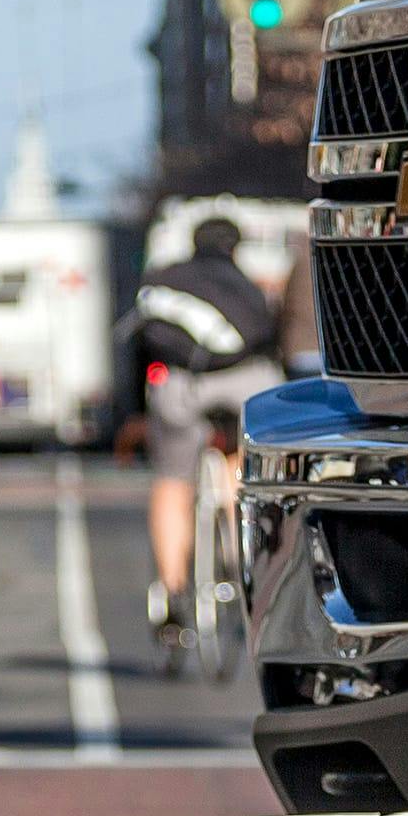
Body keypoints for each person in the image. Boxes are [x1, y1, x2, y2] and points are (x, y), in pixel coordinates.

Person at [135, 216, 284, 639]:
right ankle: (242, 556)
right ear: (234, 247)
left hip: (179, 384)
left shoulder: (164, 280)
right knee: (241, 461)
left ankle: (172, 594)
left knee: (172, 481)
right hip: (241, 383)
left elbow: (142, 345)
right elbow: (269, 341)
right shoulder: (246, 285)